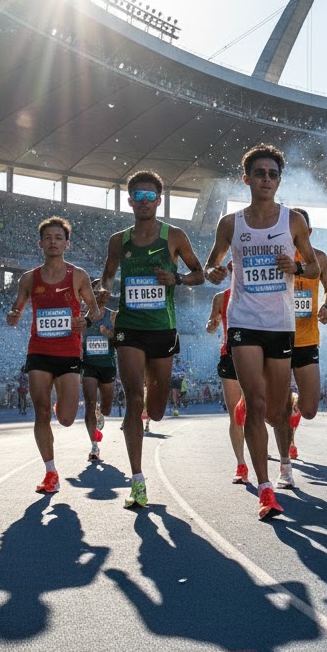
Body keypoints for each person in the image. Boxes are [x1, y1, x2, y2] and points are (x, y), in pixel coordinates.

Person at [203, 145, 320, 521]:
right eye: (259, 173)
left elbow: (315, 268)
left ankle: (282, 453)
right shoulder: (230, 223)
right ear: (247, 178)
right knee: (255, 404)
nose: (266, 179)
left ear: (278, 180)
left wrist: (297, 266)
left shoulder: (293, 222)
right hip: (243, 322)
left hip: (280, 325)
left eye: (272, 174)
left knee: (277, 408)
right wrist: (216, 273)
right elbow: (211, 266)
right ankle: (266, 488)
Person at [100, 171, 206, 510]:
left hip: (163, 327)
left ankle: (151, 399)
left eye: (150, 196)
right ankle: (137, 480)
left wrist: (175, 278)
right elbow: (107, 275)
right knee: (133, 397)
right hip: (129, 325)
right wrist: (102, 291)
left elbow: (199, 274)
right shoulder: (119, 240)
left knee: (156, 411)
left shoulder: (173, 236)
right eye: (138, 196)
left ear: (159, 200)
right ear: (129, 200)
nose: (144, 201)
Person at [7, 217, 101, 495]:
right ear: (40, 243)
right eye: (48, 237)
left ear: (66, 243)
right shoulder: (29, 279)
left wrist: (86, 321)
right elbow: (16, 313)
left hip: (68, 351)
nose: (53, 242)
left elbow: (94, 311)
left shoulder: (79, 275)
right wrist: (12, 317)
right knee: (41, 411)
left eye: (58, 237)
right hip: (39, 350)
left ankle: (65, 401)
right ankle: (50, 471)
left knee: (67, 418)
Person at [273, 208, 327, 484]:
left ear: (308, 232)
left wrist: (326, 305)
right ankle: (285, 466)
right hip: (278, 337)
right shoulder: (277, 255)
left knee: (309, 410)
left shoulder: (318, 258)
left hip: (308, 339)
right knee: (278, 408)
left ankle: (296, 405)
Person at [205, 266, 248, 484]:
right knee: (235, 415)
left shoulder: (256, 293)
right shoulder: (221, 298)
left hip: (254, 357)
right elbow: (211, 324)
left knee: (257, 411)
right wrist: (211, 325)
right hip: (229, 356)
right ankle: (241, 464)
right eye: (234, 268)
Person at [80, 279, 116, 462]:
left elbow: (121, 339)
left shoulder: (112, 316)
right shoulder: (82, 316)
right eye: (95, 291)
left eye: (102, 291)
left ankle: (101, 411)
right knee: (89, 403)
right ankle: (94, 446)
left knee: (107, 407)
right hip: (89, 365)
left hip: (107, 365)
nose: (99, 294)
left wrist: (110, 334)